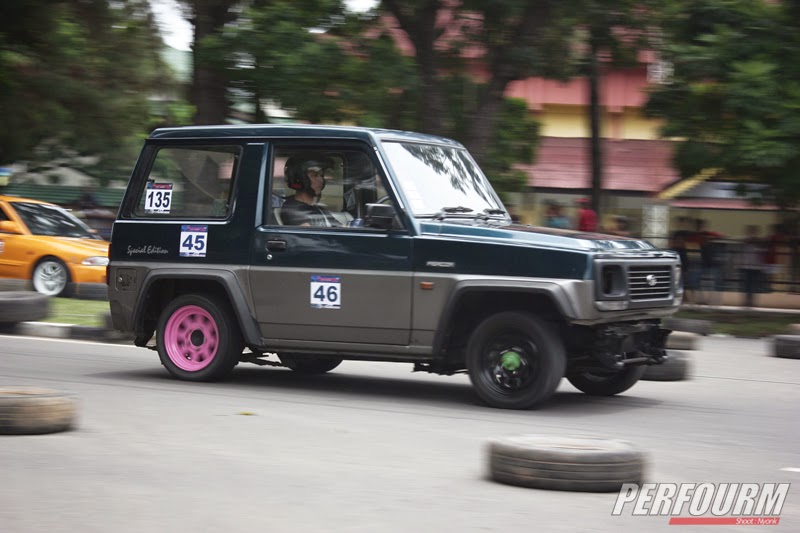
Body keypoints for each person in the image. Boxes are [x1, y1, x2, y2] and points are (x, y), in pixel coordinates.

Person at [279, 154, 341, 227]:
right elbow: (310, 236)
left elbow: (340, 228)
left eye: (321, 175)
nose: (321, 180)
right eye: (314, 175)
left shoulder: (319, 209)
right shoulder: (292, 210)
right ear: (299, 179)